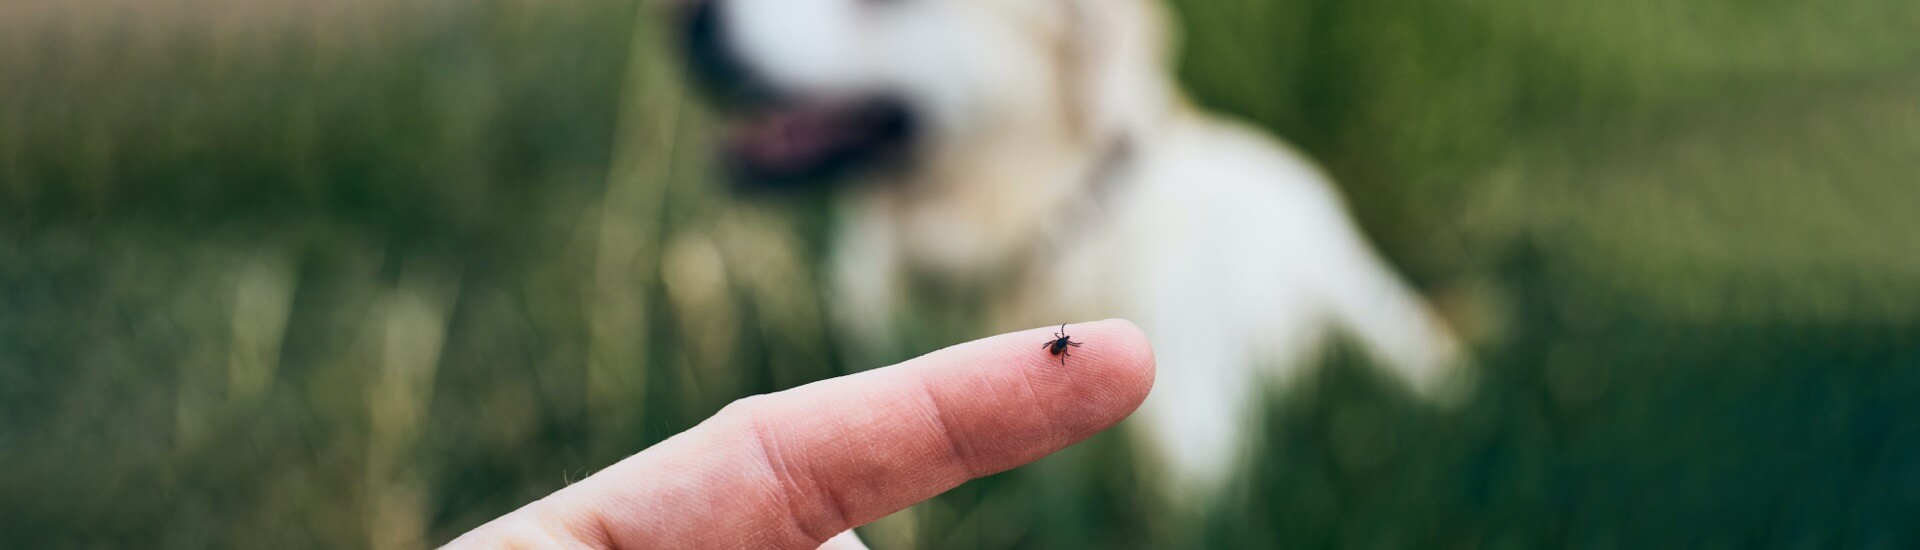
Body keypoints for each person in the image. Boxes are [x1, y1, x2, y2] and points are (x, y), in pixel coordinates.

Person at [447, 320, 1156, 549]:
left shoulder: (1057, 348)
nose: (1060, 346)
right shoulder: (1061, 349)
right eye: (1061, 343)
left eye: (1060, 343)